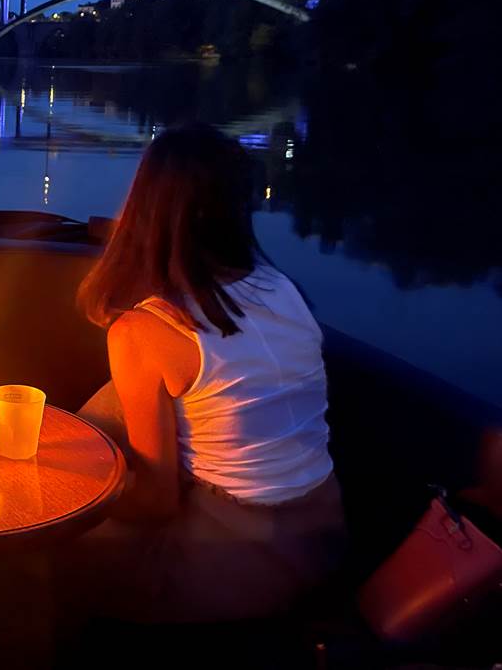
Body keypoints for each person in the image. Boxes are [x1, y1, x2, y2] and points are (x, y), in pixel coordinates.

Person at [66, 124, 346, 624]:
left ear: (145, 207)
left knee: (45, 548)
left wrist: (65, 488)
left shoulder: (145, 331)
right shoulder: (286, 289)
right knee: (118, 400)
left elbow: (155, 502)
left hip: (238, 560)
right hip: (324, 534)